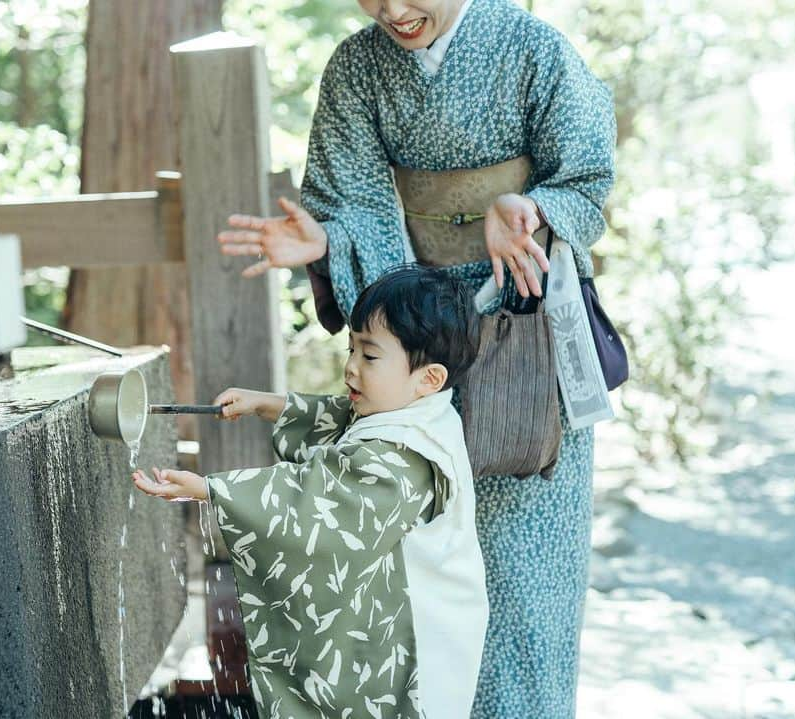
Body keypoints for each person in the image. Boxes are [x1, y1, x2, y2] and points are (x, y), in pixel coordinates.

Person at [216, 1, 616, 716]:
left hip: (521, 334)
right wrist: (326, 246)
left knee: (526, 596)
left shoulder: (532, 50)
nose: (393, 10)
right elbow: (350, 205)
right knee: (415, 590)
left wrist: (530, 208)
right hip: (414, 353)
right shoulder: (357, 67)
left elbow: (584, 180)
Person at [133, 266, 489, 719]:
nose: (351, 368)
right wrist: (266, 403)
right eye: (352, 348)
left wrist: (210, 490)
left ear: (429, 377)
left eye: (370, 356)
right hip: (400, 626)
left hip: (413, 653)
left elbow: (315, 507)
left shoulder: (405, 457)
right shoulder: (420, 413)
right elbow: (343, 419)